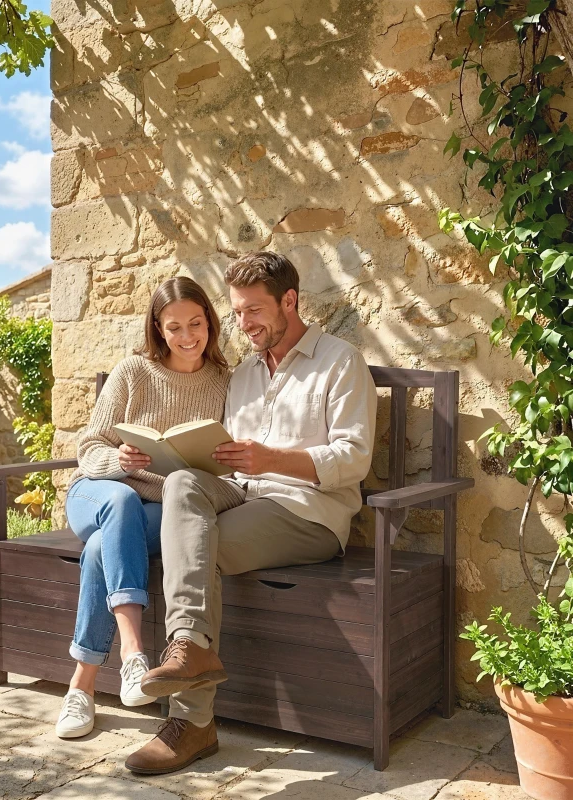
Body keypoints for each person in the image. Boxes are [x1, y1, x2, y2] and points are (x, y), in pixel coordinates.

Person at [125, 251, 377, 774]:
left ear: (290, 300)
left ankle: (192, 722)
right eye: (237, 313)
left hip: (309, 512)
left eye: (254, 311)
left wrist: (273, 459)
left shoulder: (339, 361)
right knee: (182, 483)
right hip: (242, 495)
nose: (244, 324)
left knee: (199, 546)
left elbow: (354, 460)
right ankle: (189, 649)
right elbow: (228, 464)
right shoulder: (241, 375)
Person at [56, 276, 231, 739]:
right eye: (174, 327)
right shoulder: (132, 372)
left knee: (101, 551)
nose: (188, 336)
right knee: (120, 502)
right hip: (99, 491)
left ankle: (83, 684)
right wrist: (120, 459)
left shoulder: (224, 383)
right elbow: (89, 447)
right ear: (158, 328)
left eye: (197, 324)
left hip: (157, 508)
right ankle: (134, 656)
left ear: (210, 323)